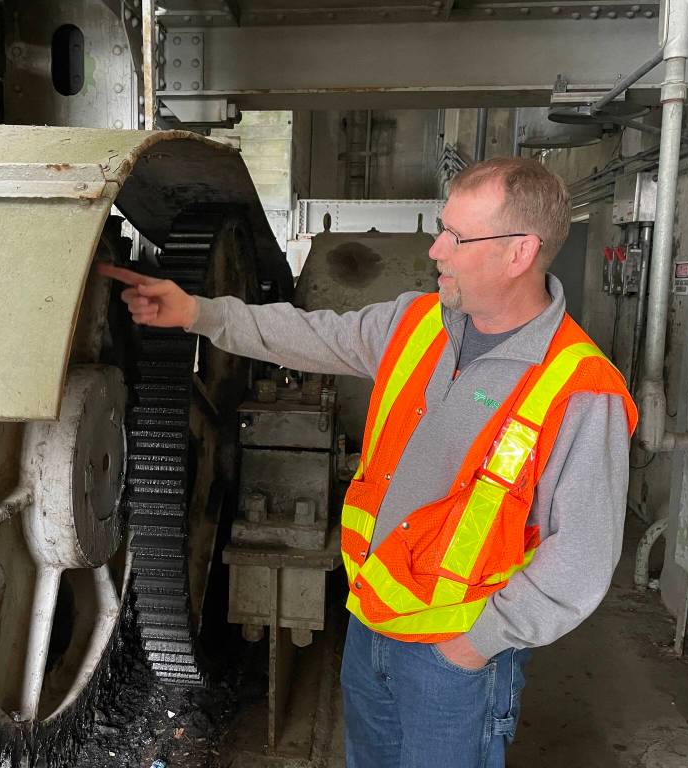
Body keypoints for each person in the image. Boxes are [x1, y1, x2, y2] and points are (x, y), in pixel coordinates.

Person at [99, 157, 637, 768]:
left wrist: (474, 644)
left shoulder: (582, 388)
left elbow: (583, 561)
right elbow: (309, 335)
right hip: (371, 623)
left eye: (455, 237)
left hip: (454, 662)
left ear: (519, 253)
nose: (436, 249)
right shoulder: (417, 323)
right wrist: (198, 313)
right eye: (442, 228)